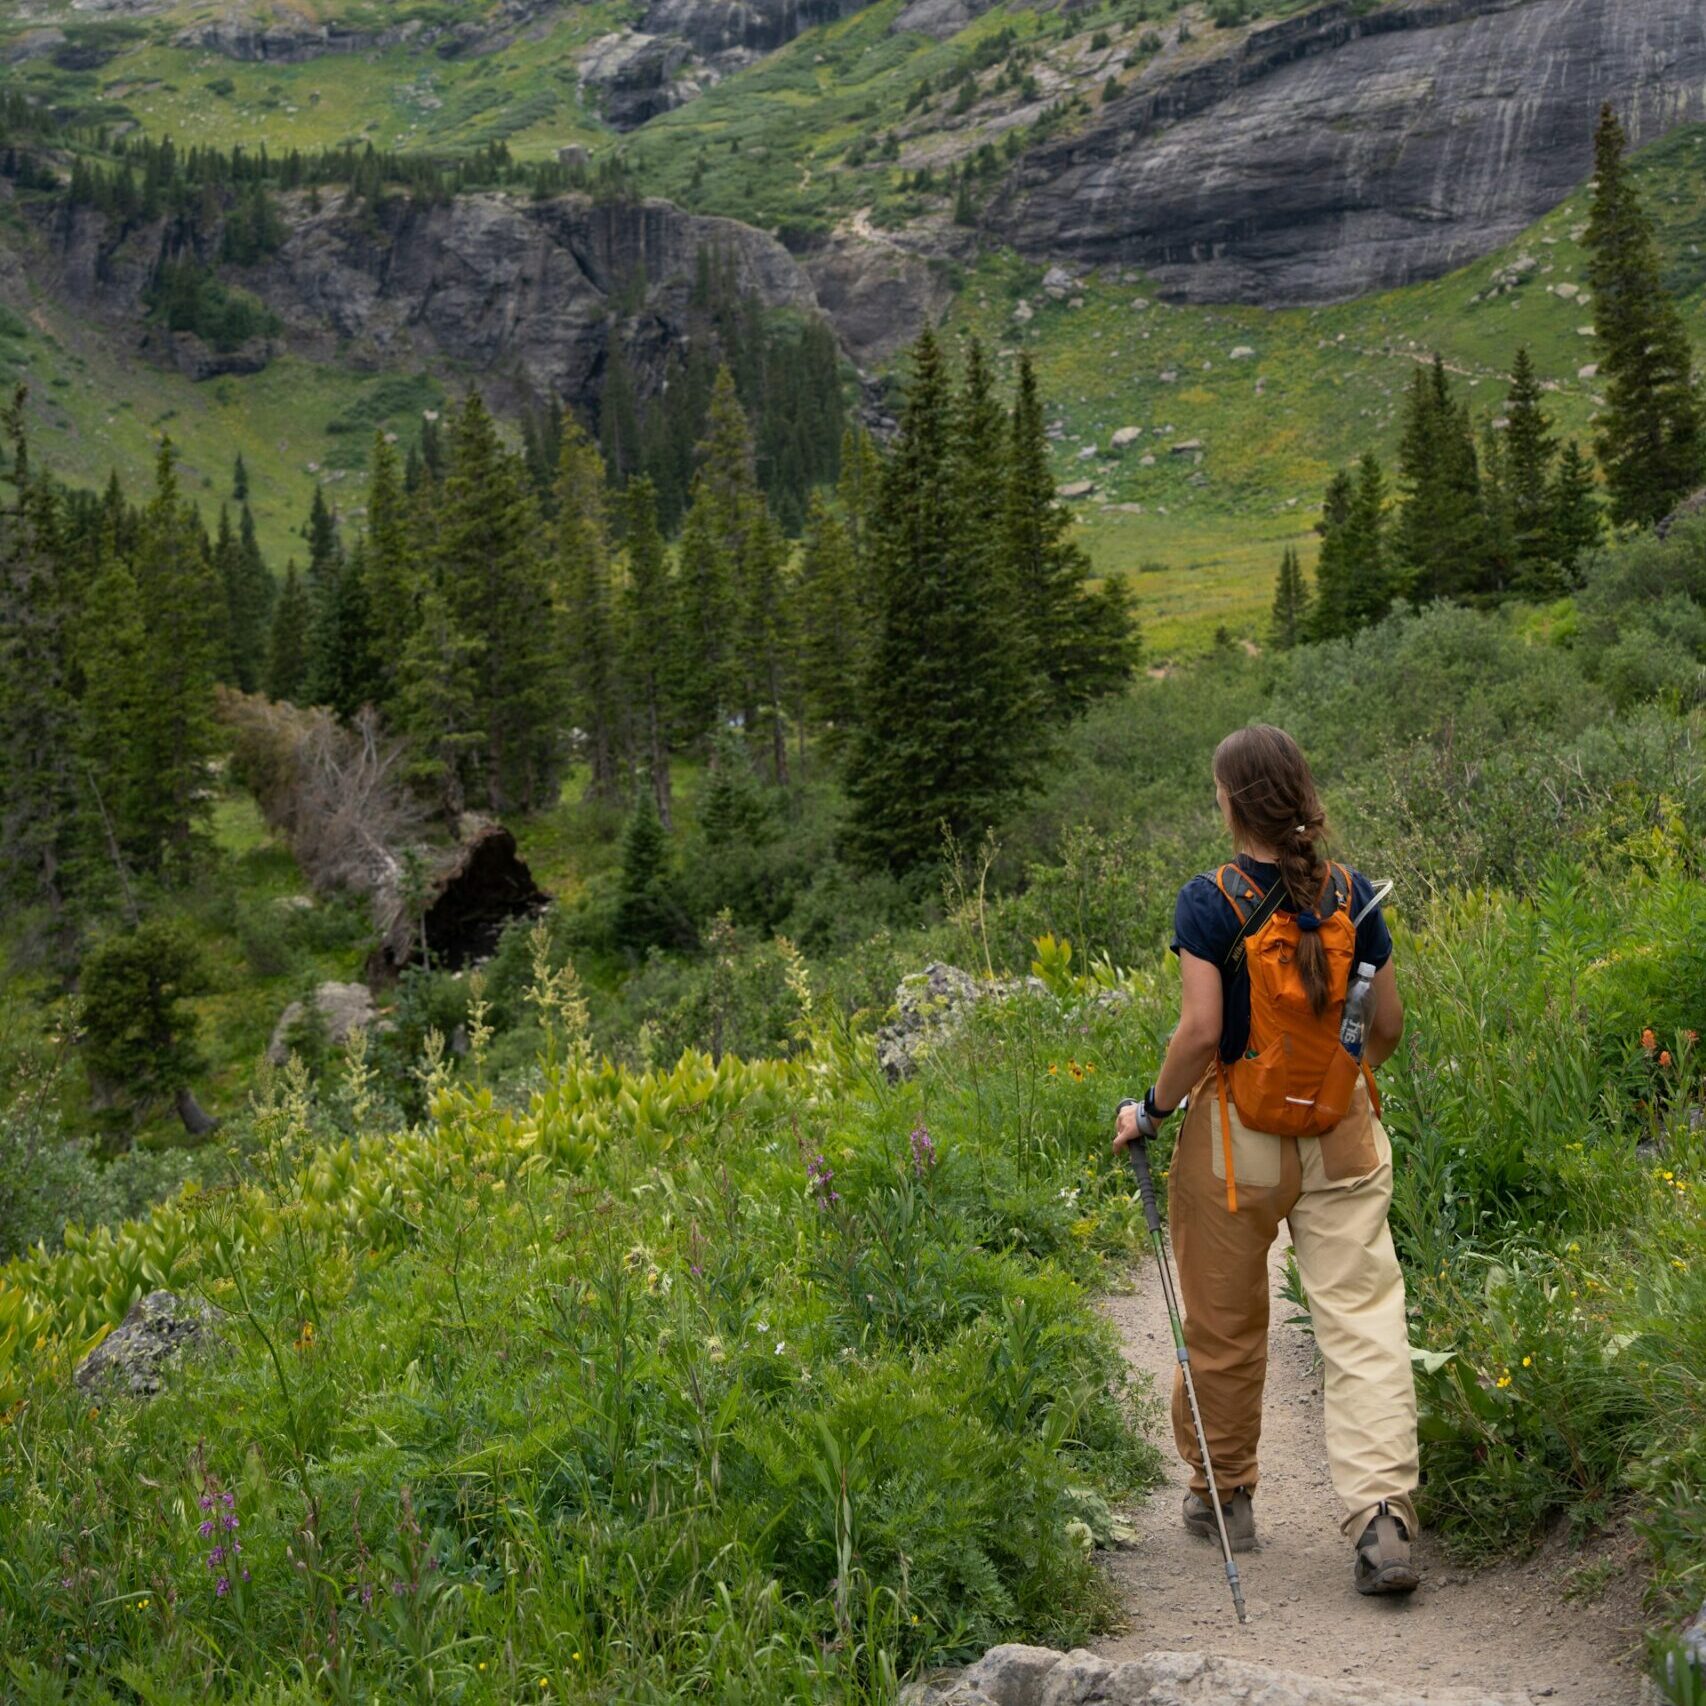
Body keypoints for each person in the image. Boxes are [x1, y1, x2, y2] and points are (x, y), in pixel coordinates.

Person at [1113, 723, 1420, 1596]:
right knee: (1361, 1323)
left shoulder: (1208, 901)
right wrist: (1331, 1076)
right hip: (1343, 1135)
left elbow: (1203, 1031)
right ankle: (1383, 1521)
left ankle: (1227, 1495)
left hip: (1232, 1142)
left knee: (1223, 1323)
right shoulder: (1355, 895)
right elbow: (1387, 1028)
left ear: (1233, 802)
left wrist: (1152, 1110)